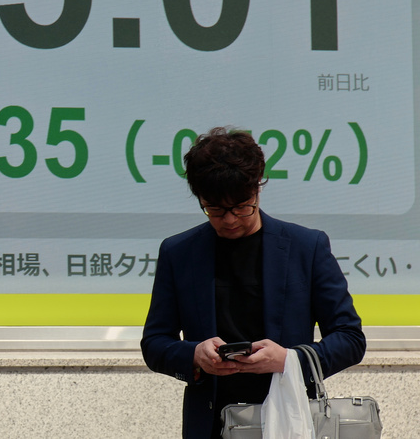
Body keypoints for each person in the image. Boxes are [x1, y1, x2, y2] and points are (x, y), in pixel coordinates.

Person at [141, 126, 365, 438]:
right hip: (211, 424)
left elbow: (350, 339)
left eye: (241, 206)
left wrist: (289, 359)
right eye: (215, 209)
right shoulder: (179, 252)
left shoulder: (306, 247)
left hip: (290, 421)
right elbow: (154, 344)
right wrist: (194, 355)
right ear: (200, 198)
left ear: (258, 188)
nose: (230, 219)